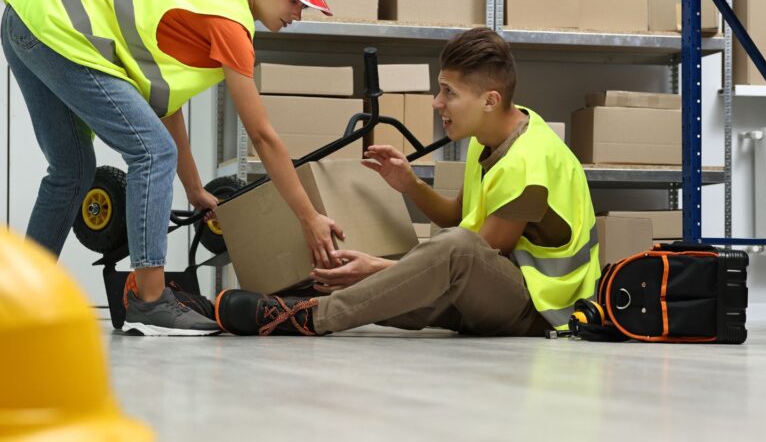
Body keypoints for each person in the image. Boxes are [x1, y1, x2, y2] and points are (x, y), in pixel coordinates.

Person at [1, 0, 344, 336]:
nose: (298, 13)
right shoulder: (229, 21)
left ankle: (18, 295)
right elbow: (262, 136)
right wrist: (309, 218)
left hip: (25, 17)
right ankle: (150, 302)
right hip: (56, 26)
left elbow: (166, 109)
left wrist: (195, 189)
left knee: (71, 170)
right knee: (151, 152)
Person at [214, 27, 601, 337]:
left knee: (418, 264)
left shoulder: (529, 163)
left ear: (490, 100)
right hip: (491, 287)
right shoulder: (489, 137)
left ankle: (311, 319)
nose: (436, 102)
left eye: (449, 92)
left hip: (540, 311)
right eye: (440, 88)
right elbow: (457, 219)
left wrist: (377, 269)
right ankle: (273, 304)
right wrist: (409, 184)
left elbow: (471, 254)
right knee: (367, 273)